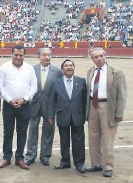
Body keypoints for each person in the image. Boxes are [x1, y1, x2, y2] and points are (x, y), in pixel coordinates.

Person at [85, 47, 127, 177]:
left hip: (108, 106)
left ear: (105, 55)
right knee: (93, 137)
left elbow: (122, 94)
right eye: (95, 57)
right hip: (93, 105)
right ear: (92, 59)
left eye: (101, 56)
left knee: (107, 138)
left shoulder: (117, 72)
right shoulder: (90, 71)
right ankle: (96, 164)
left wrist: (119, 112)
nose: (99, 59)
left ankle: (108, 166)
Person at [0, 44, 37, 170]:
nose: (18, 57)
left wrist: (24, 99)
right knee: (7, 133)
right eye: (16, 54)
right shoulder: (4, 67)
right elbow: (0, 87)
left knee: (22, 133)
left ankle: (20, 158)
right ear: (12, 54)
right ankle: (7, 157)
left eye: (21, 55)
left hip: (24, 106)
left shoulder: (30, 69)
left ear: (24, 55)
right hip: (8, 105)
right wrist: (9, 100)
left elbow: (34, 87)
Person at [25, 47, 62, 166]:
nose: (47, 57)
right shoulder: (31, 69)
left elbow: (59, 90)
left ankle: (45, 156)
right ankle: (30, 155)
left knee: (48, 131)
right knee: (32, 131)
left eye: (49, 55)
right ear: (39, 57)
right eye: (44, 55)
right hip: (34, 105)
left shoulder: (57, 71)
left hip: (50, 106)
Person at [48, 59, 86, 173]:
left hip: (77, 115)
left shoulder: (81, 81)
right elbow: (51, 100)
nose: (69, 67)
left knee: (78, 140)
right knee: (64, 140)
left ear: (74, 68)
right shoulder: (56, 82)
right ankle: (65, 161)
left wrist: (85, 114)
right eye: (66, 66)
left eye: (71, 65)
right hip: (62, 114)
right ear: (62, 69)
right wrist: (51, 115)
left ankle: (79, 163)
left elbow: (84, 100)